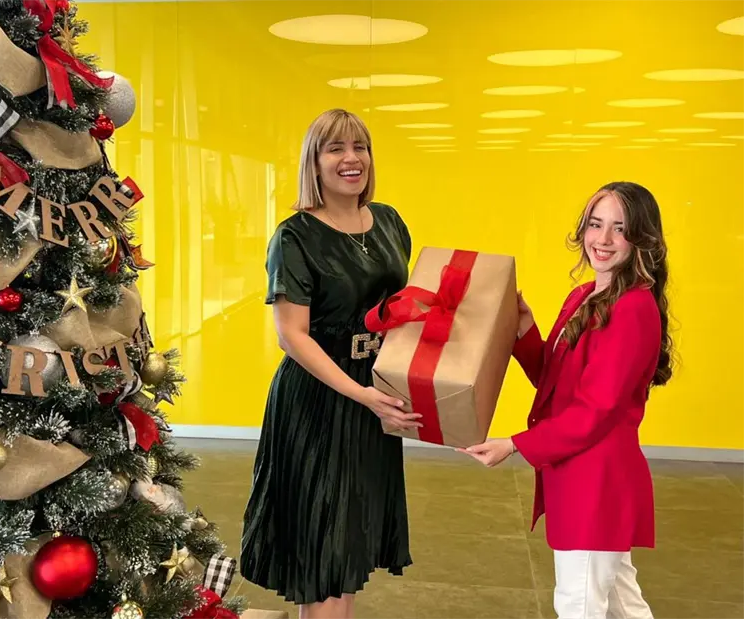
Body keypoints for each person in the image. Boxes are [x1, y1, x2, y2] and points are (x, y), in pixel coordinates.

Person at [462, 182, 673, 619]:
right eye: (596, 225)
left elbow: (595, 412)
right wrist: (524, 328)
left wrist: (516, 444)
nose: (603, 239)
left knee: (579, 605)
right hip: (577, 475)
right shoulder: (584, 296)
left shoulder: (633, 309)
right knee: (620, 602)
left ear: (642, 239)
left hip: (596, 483)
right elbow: (554, 380)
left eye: (620, 229)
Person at [240, 109, 420, 619]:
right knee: (323, 549)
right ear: (314, 163)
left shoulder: (387, 222)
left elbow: (398, 313)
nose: (351, 159)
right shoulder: (295, 236)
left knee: (350, 544)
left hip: (374, 391)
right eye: (335, 149)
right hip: (319, 400)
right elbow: (292, 336)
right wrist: (362, 394)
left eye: (359, 147)